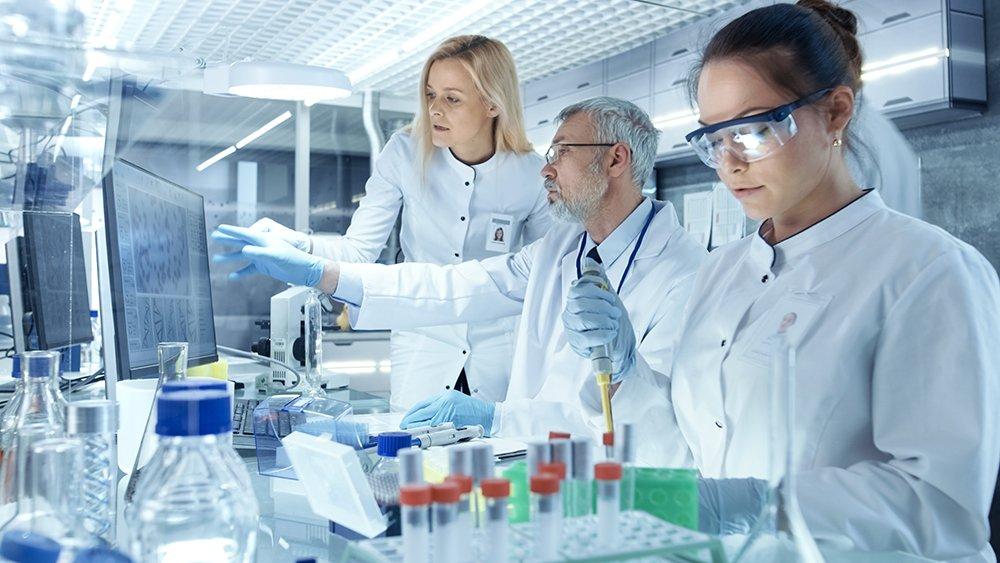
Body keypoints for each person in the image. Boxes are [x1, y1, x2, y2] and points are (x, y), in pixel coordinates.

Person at [665, 0, 1000, 559]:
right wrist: (624, 376)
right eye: (714, 138)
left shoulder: (929, 270)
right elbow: (703, 438)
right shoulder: (719, 271)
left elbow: (939, 505)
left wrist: (760, 505)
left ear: (837, 112)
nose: (730, 163)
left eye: (753, 130)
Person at [217, 97, 706, 463]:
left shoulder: (685, 276)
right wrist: (324, 272)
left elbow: (656, 431)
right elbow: (453, 288)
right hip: (538, 466)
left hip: (622, 492)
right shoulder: (559, 248)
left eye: (562, 152)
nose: (547, 168)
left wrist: (498, 417)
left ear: (616, 160)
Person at [214, 35, 551, 410]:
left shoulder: (533, 174)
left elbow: (544, 275)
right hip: (423, 344)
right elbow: (359, 250)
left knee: (501, 442)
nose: (434, 109)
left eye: (452, 99)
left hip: (498, 352)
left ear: (492, 103)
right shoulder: (405, 152)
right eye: (430, 95)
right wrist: (301, 245)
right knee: (412, 443)